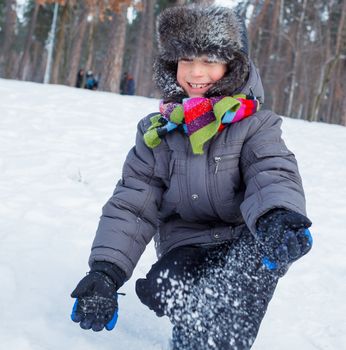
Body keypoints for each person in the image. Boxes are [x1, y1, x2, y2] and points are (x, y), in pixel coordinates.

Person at [70, 5, 313, 350]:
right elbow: (134, 203)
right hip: (188, 244)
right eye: (186, 60)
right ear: (172, 65)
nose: (196, 72)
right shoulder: (158, 132)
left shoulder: (255, 124)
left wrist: (278, 217)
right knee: (166, 287)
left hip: (247, 241)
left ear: (233, 66)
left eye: (210, 60)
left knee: (238, 289)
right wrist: (105, 272)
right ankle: (191, 333)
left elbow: (271, 170)